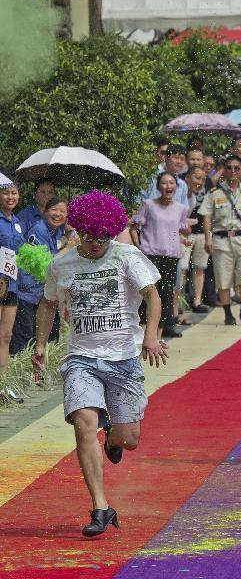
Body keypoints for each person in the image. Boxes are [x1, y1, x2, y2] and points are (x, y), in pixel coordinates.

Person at [31, 190, 167, 537]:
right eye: (89, 237)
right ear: (78, 230)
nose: (95, 244)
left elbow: (152, 295)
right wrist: (42, 346)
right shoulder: (61, 264)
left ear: (112, 230)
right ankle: (101, 508)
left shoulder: (127, 256)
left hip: (123, 358)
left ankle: (113, 441)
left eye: (102, 237)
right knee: (83, 423)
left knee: (130, 439)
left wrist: (150, 335)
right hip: (82, 358)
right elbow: (47, 305)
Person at [199, 155, 241, 326]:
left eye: (237, 168)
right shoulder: (215, 193)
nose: (233, 171)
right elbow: (206, 216)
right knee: (223, 280)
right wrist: (208, 238)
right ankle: (228, 314)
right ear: (224, 170)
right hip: (221, 240)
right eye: (229, 168)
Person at [130, 172, 190, 339]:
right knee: (147, 294)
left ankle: (157, 336)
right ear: (158, 187)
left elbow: (178, 231)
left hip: (171, 256)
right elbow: (134, 227)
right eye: (164, 183)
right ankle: (142, 335)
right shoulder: (148, 204)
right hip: (150, 255)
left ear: (176, 187)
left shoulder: (181, 209)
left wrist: (184, 240)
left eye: (171, 183)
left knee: (166, 295)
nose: (168, 186)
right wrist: (139, 248)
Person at [11, 197, 68, 356]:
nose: (58, 214)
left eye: (63, 211)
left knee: (52, 334)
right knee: (24, 338)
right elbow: (49, 265)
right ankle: (19, 374)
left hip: (45, 294)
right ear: (44, 212)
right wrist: (69, 246)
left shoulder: (57, 231)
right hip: (27, 292)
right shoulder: (39, 229)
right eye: (54, 210)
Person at [0, 178, 25, 402]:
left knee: (6, 336)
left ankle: (4, 385)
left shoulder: (17, 222)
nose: (10, 197)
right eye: (6, 193)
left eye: (14, 193)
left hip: (12, 284)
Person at [180, 166, 212, 313]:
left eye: (203, 179)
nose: (200, 182)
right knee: (183, 267)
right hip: (184, 234)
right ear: (187, 177)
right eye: (197, 177)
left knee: (200, 267)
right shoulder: (180, 191)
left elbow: (207, 215)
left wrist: (208, 237)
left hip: (201, 233)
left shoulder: (208, 191)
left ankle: (197, 301)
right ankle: (179, 303)